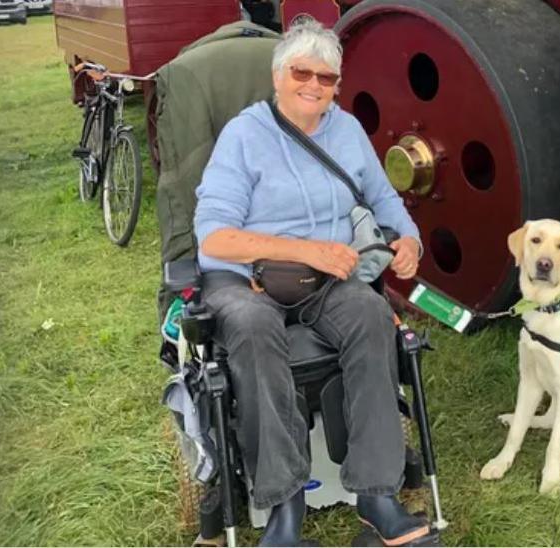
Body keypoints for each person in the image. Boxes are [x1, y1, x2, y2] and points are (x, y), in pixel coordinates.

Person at [193, 17, 430, 547]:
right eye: (303, 72)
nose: (314, 86)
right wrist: (302, 249)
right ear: (279, 76)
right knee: (254, 329)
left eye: (328, 79)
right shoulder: (244, 136)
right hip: (246, 278)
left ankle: (376, 497)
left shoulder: (345, 130)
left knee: (371, 315)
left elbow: (383, 198)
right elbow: (214, 239)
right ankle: (284, 509)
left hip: (323, 280)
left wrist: (409, 238)